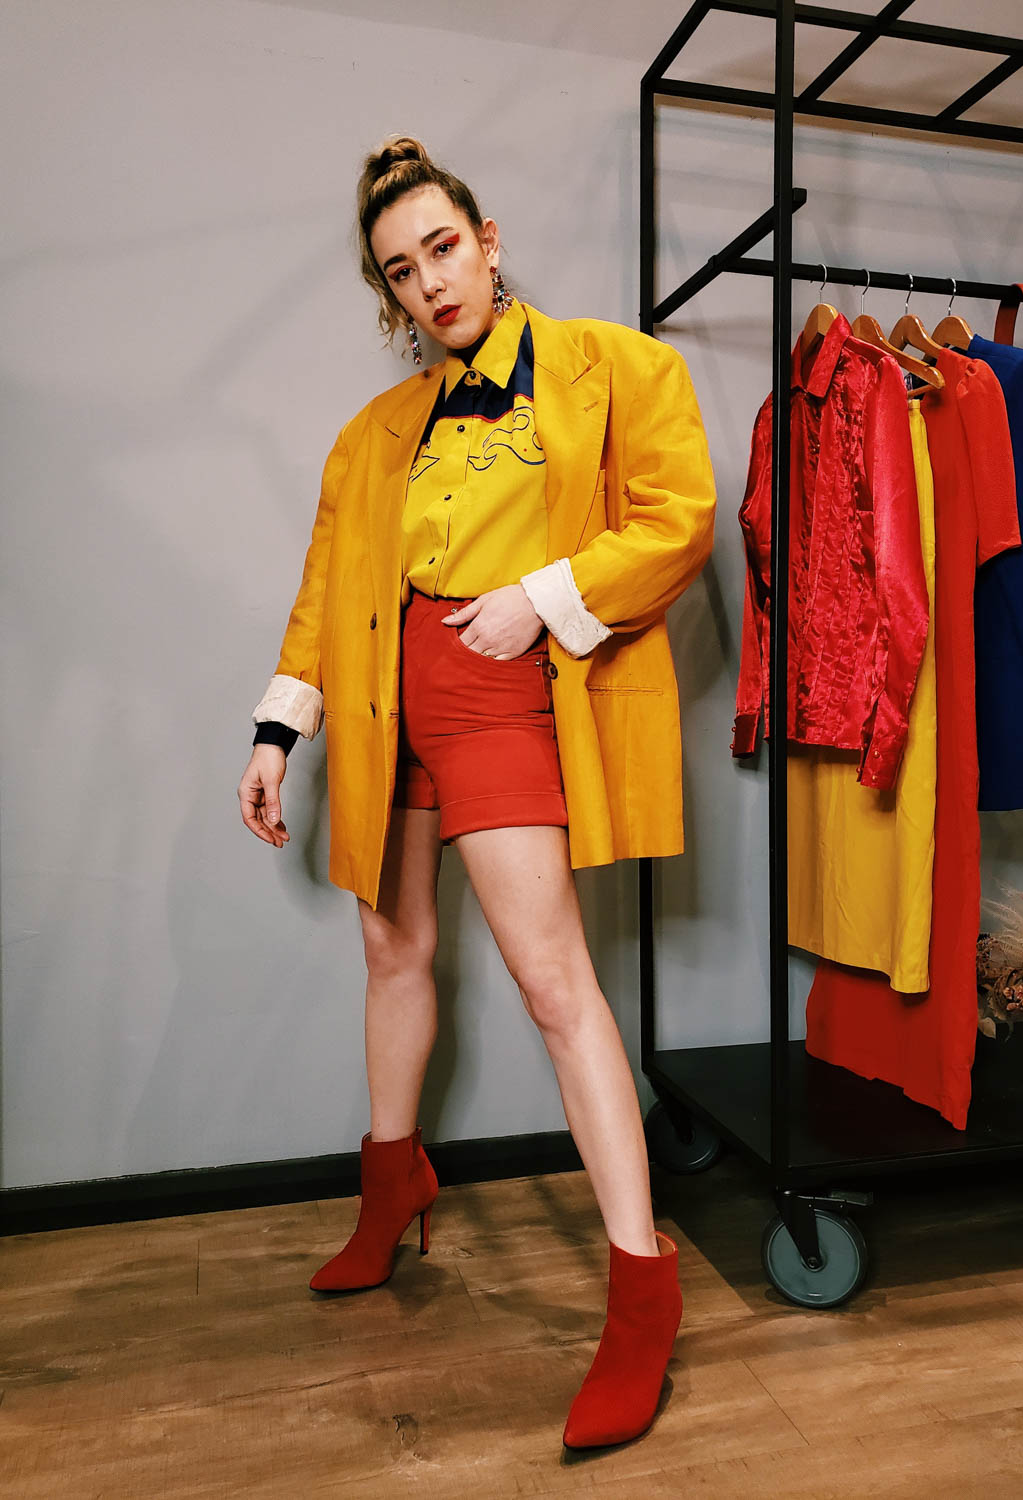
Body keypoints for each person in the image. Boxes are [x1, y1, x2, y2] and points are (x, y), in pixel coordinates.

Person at [237, 136, 716, 1450]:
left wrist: (541, 602)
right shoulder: (370, 436)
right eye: (401, 271)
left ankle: (642, 1288)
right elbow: (327, 593)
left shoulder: (616, 367)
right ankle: (392, 1192)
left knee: (554, 984)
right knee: (392, 953)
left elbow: (676, 518)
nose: (430, 282)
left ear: (488, 240)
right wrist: (279, 731)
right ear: (388, 293)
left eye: (442, 248)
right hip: (380, 700)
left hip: (503, 690)